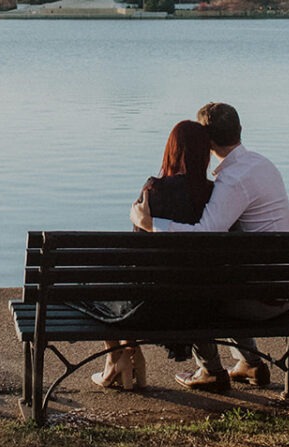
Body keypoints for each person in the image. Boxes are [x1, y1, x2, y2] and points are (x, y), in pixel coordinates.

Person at [129, 101, 289, 393]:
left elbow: (205, 234)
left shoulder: (232, 180)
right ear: (239, 130)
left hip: (262, 300)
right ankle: (249, 364)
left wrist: (150, 222)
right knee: (221, 276)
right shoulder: (261, 164)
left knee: (196, 290)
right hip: (288, 289)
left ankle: (210, 371)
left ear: (207, 141)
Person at [85, 120, 215, 391]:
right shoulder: (215, 196)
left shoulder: (154, 190)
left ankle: (119, 358)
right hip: (204, 310)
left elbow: (137, 257)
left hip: (152, 309)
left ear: (171, 150)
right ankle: (123, 358)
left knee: (91, 288)